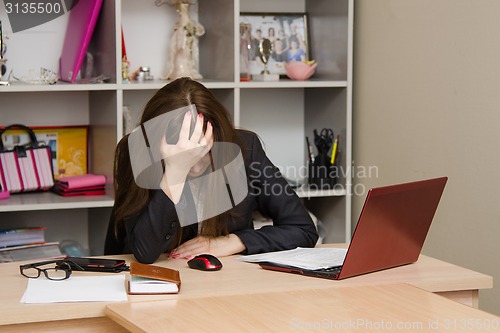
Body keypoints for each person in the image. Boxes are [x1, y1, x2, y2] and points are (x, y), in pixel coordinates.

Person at [105, 77, 318, 263]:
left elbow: (303, 229)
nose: (196, 167)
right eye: (187, 158)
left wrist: (234, 241)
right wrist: (175, 171)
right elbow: (144, 252)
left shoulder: (245, 149)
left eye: (204, 154)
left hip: (226, 280)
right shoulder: (137, 151)